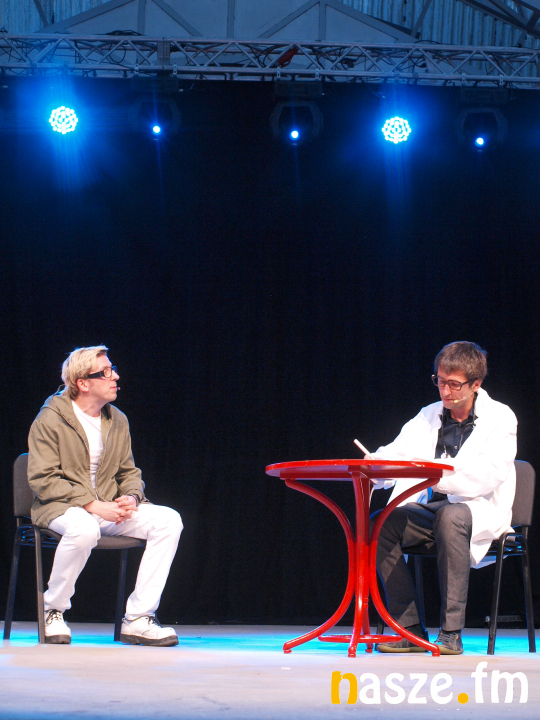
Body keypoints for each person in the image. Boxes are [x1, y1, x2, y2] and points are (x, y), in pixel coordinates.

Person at [367, 341, 517, 655]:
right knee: (381, 523)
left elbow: (488, 475)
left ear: (476, 384)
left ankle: (450, 633)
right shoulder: (429, 415)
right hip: (432, 511)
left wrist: (436, 475)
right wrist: (374, 466)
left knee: (451, 516)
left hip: (478, 510)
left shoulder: (501, 418)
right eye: (440, 381)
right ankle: (408, 628)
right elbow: (397, 454)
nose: (445, 391)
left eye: (454, 384)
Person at [28, 346, 183, 646]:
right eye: (106, 372)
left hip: (106, 507)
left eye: (113, 370)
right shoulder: (50, 419)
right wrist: (92, 504)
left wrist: (132, 497)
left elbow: (128, 471)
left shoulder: (117, 420)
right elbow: (43, 479)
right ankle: (52, 610)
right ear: (83, 383)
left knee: (169, 521)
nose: (116, 377)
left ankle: (138, 618)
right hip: (59, 507)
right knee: (84, 528)